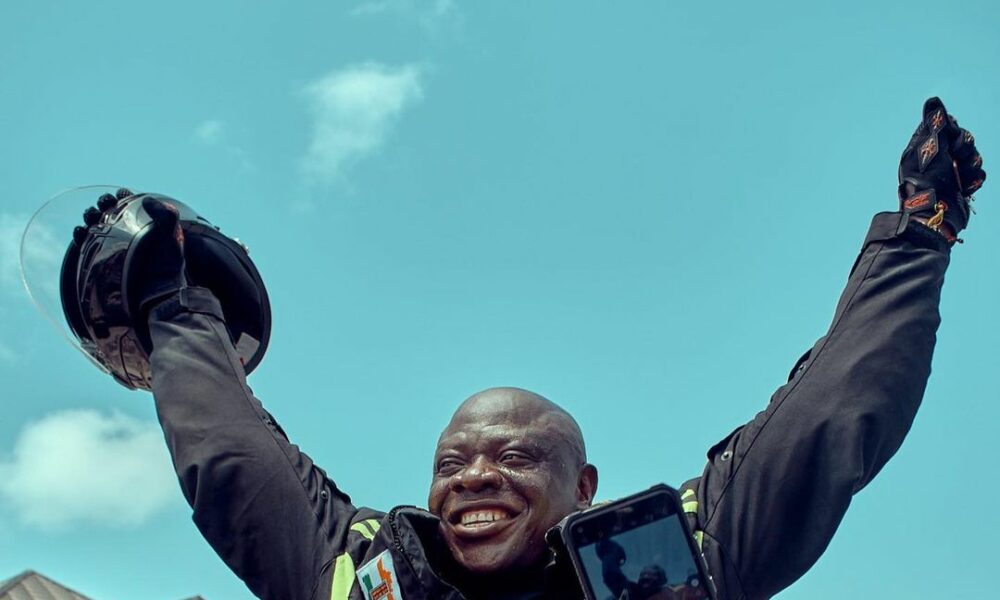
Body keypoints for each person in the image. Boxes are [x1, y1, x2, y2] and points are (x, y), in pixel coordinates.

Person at [80, 97, 985, 599]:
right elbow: (235, 464)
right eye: (453, 462)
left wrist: (919, 235)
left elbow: (831, 415)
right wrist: (173, 305)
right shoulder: (360, 577)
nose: (474, 477)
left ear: (583, 489)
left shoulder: (679, 566)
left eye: (515, 457)